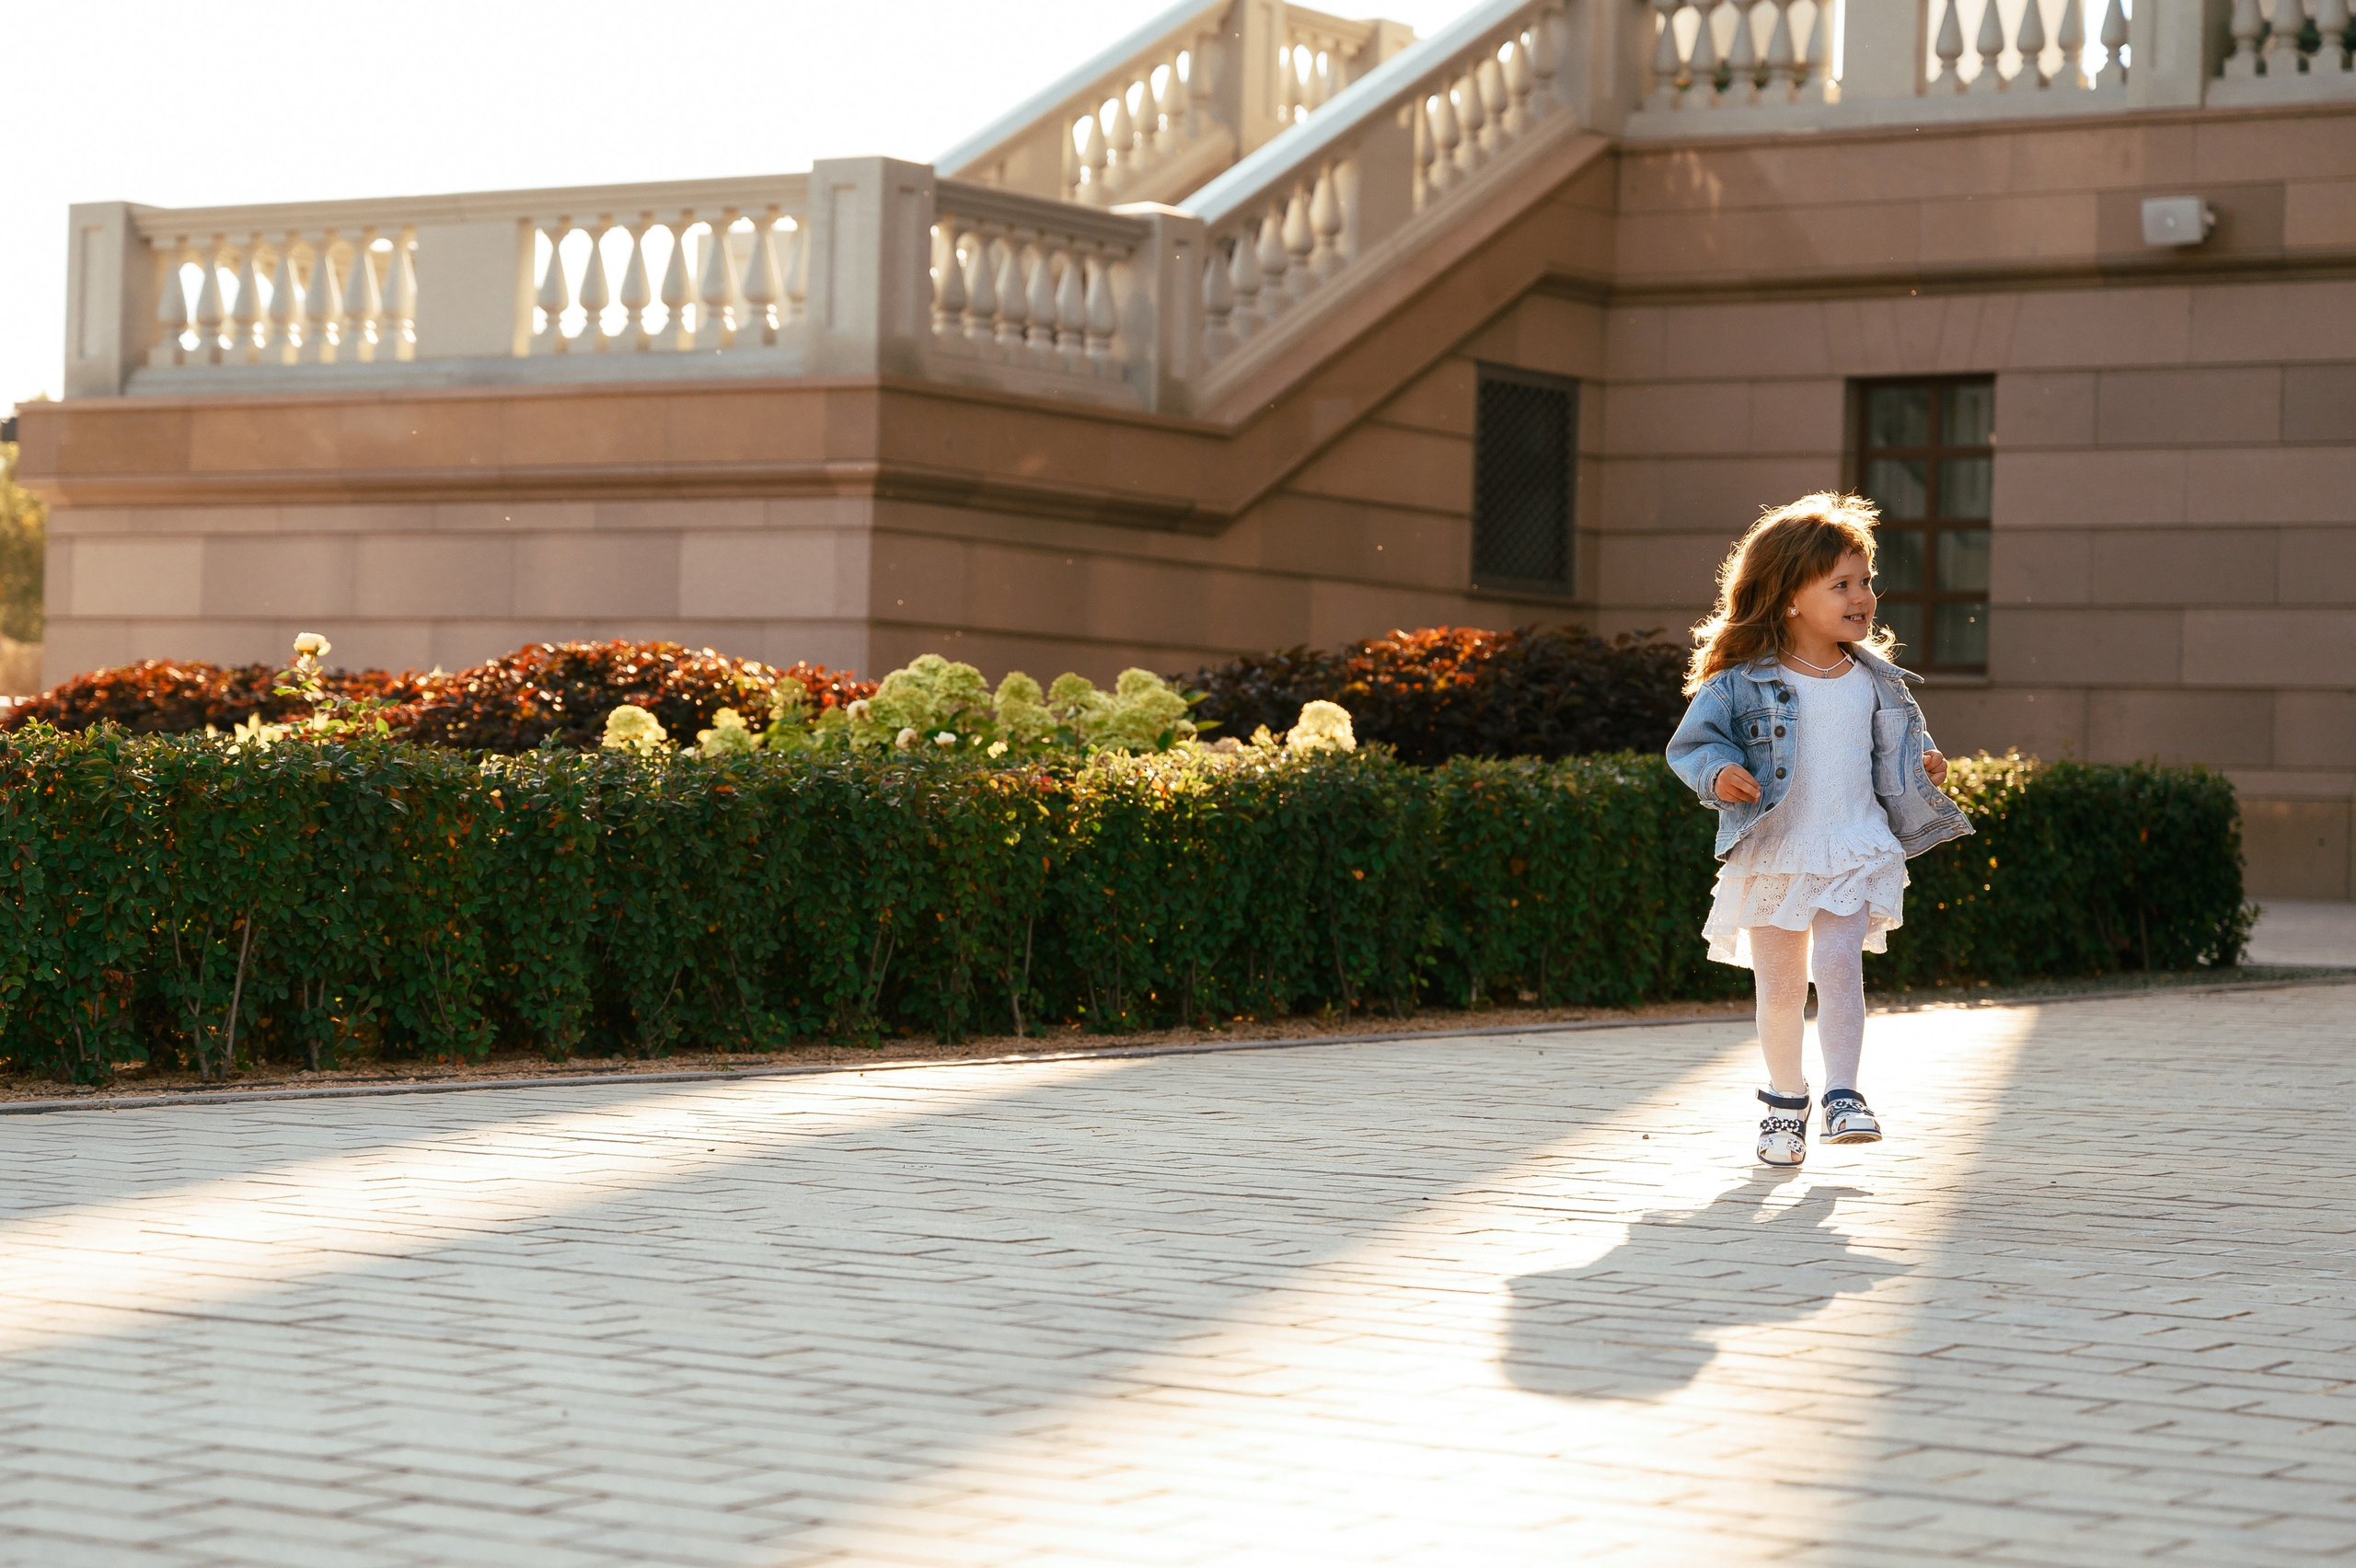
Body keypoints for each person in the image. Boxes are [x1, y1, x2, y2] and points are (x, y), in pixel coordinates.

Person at [1665, 493, 1973, 1167]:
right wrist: (1719, 775)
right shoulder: (1743, 683)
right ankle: (1785, 1100)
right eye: (1842, 585)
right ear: (1788, 598)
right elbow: (1692, 747)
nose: (1863, 596)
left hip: (1854, 843)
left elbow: (1900, 753)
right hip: (1777, 851)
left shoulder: (1877, 681)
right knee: (1778, 987)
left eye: (1865, 582)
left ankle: (1843, 1096)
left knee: (1838, 967)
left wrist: (1927, 767)